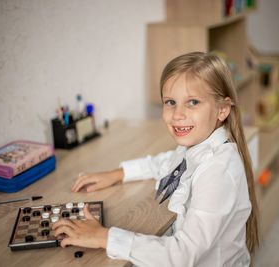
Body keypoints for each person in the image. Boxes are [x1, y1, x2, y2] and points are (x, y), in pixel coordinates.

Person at [52, 51, 259, 266]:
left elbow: (182, 255)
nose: (178, 114)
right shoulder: (197, 146)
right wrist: (118, 174)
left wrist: (104, 237)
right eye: (170, 102)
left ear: (222, 110)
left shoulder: (218, 171)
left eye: (193, 102)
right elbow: (166, 163)